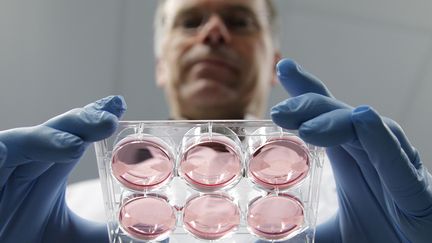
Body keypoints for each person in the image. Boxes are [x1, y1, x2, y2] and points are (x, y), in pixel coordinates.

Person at [0, 0, 431, 243]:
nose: (214, 32)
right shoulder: (73, 208)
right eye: (190, 21)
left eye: (239, 21)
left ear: (272, 62)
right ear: (161, 64)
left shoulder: (356, 202)